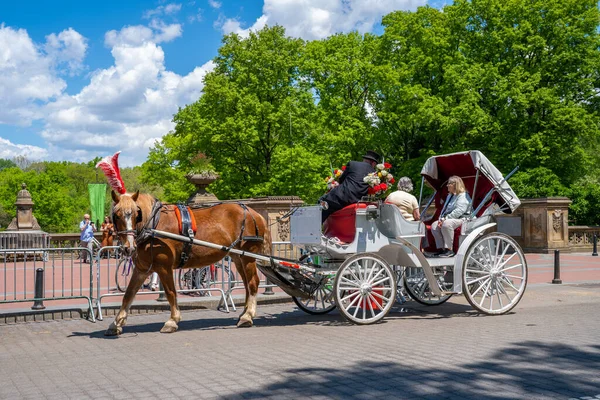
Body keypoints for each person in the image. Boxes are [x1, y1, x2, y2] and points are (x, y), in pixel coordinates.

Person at [319, 150, 381, 222]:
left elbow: (341, 180)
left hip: (340, 197)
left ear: (364, 159)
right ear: (373, 163)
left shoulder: (352, 164)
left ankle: (316, 229)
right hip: (356, 200)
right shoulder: (375, 174)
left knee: (321, 202)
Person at [430, 175, 470, 258]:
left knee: (447, 224)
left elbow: (459, 211)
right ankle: (441, 249)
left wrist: (445, 219)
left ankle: (449, 249)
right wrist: (441, 218)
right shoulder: (450, 195)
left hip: (462, 218)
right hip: (450, 218)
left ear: (455, 184)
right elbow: (444, 209)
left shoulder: (463, 196)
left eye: (449, 183)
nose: (447, 185)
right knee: (434, 225)